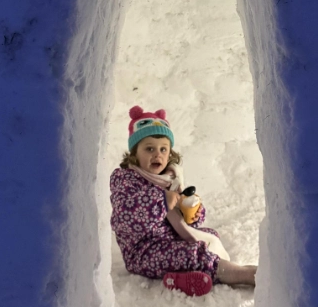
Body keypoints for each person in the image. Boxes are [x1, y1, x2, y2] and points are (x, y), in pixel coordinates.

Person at [110, 105, 257, 296]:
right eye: (149, 149)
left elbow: (182, 222)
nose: (158, 154)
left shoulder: (169, 178)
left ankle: (188, 273)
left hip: (167, 238)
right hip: (144, 251)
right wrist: (162, 202)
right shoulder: (125, 179)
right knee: (190, 254)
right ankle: (241, 274)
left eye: (163, 149)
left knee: (208, 235)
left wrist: (191, 211)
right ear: (134, 154)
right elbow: (126, 219)